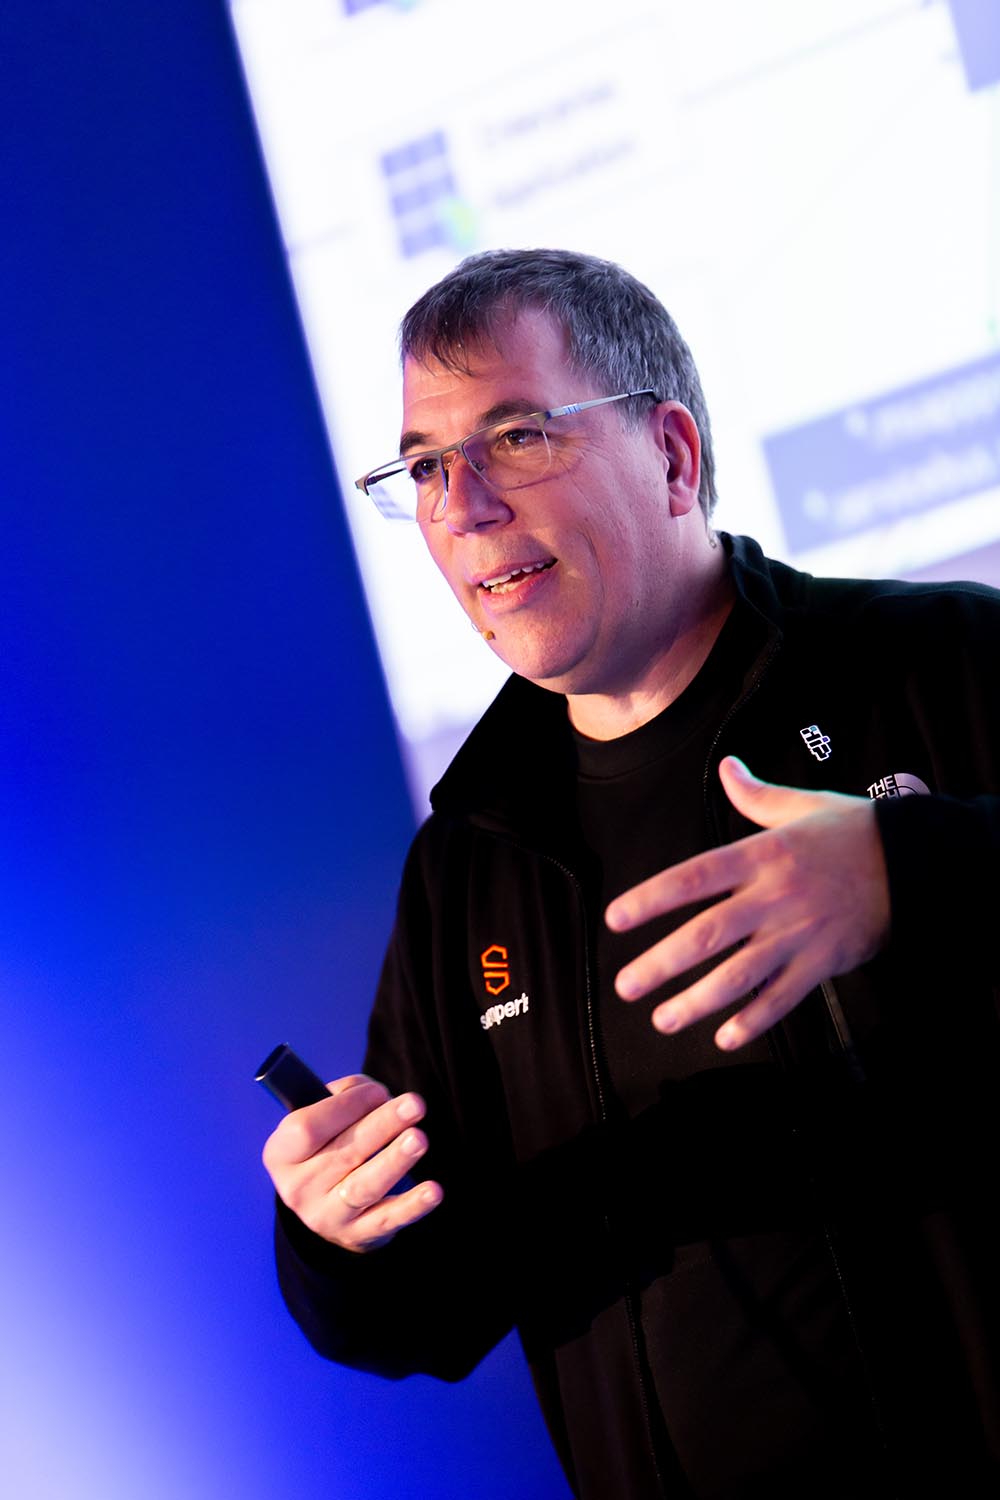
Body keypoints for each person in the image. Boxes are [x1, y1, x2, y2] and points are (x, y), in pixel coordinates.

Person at [262, 249, 1000, 1497]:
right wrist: (338, 1231)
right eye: (426, 467)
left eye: (515, 438)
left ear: (670, 454)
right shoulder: (467, 867)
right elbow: (427, 1314)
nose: (462, 507)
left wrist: (912, 874)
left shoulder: (936, 664)